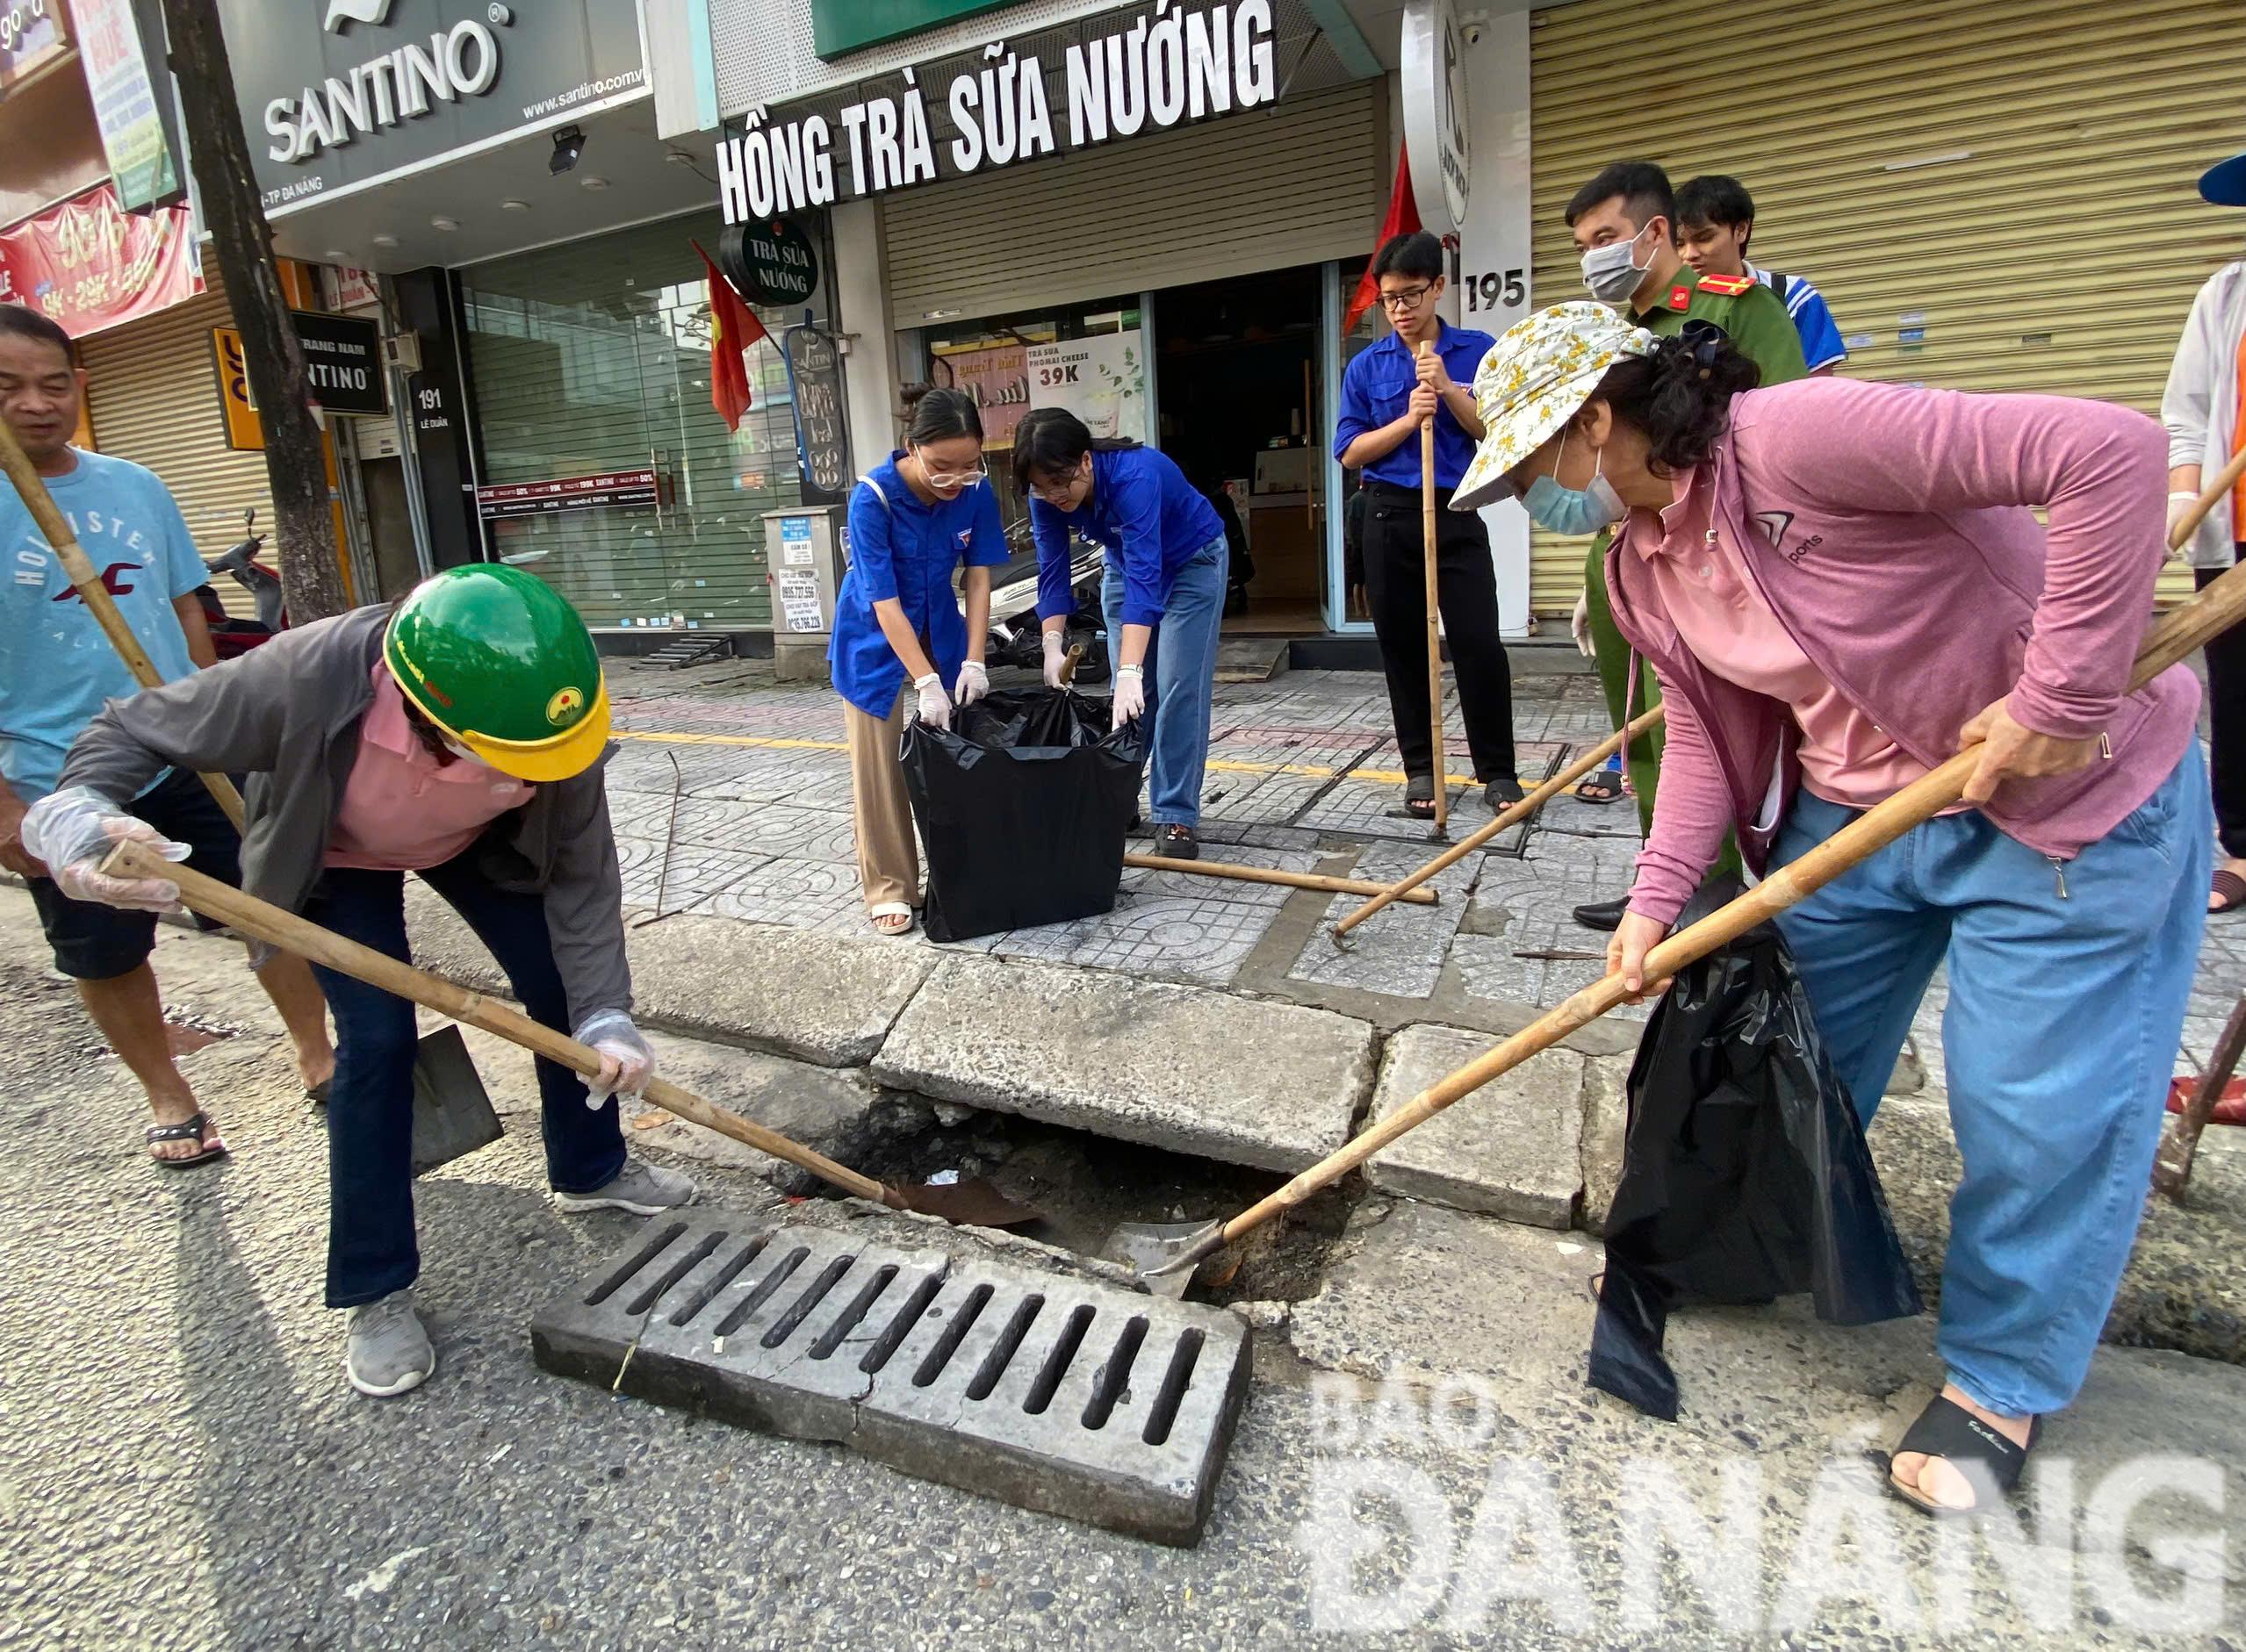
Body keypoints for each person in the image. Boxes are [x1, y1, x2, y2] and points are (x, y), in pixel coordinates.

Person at [1459, 301, 2205, 1517]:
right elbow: (1706, 739)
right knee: (1774, 1052)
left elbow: (2107, 454)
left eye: (1538, 464)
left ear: (1599, 421)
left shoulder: (1798, 438)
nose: (1538, 497)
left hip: (2059, 802)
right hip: (1857, 820)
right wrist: (1655, 902)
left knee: (2030, 1107)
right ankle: (1753, 1246)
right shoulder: (1637, 562)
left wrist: (2060, 698)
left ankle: (2000, 1375)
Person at [23, 564, 693, 1397]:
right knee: (376, 1042)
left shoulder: (550, 723)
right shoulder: (305, 673)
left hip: (470, 843)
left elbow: (583, 880)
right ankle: (375, 1289)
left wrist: (606, 1016)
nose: (532, 778)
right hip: (337, 854)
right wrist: (77, 805)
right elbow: (135, 730)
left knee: (565, 991)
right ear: (424, 714)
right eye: (507, 760)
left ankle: (591, 1171)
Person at [0, 301, 334, 1167]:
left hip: (181, 748)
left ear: (80, 385)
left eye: (52, 383)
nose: (35, 404)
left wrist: (216, 722)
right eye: (9, 387)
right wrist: (6, 806)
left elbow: (190, 610)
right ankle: (167, 1091)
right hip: (56, 780)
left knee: (273, 905)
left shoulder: (135, 487)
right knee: (103, 951)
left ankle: (317, 1051)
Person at [1563, 162, 1809, 929]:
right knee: (1638, 722)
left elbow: (1788, 427)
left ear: (1655, 231)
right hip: (1628, 557)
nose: (1593, 257)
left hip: (1714, 559)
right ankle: (1662, 885)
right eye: (1581, 245)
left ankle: (1730, 888)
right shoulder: (1611, 337)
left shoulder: (1734, 309)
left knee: (1715, 725)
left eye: (1605, 238)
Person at [1334, 230, 1523, 822]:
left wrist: (1445, 389)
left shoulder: (1479, 351)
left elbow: (1500, 433)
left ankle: (1499, 772)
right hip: (1390, 514)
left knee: (1478, 646)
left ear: (1438, 287)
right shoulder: (1368, 367)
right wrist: (1406, 421)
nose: (1401, 309)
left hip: (1458, 511)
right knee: (1405, 650)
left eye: (1411, 295)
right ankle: (1420, 769)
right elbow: (1349, 451)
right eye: (1389, 299)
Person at [829, 385, 1007, 934]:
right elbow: (882, 600)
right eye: (940, 467)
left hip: (942, 630)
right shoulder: (873, 498)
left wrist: (973, 659)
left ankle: (962, 870)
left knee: (959, 756)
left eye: (968, 466)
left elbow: (978, 579)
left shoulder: (975, 493)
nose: (954, 480)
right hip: (873, 639)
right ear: (911, 447)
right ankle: (890, 885)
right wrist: (924, 679)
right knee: (879, 769)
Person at [1018, 406, 1228, 860]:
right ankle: (1119, 794)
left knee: (1175, 688)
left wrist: (1131, 667)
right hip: (1123, 564)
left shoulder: (1138, 476)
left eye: (1061, 481)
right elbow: (1052, 573)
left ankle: (1175, 814)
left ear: (1087, 460)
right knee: (1129, 696)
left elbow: (1146, 582)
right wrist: (1052, 644)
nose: (1054, 495)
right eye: (1040, 486)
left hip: (1193, 562)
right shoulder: (1045, 496)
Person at [2161, 144, 2246, 914]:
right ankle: (2245, 851)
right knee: (2240, 691)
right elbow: (2186, 411)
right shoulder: (2224, 295)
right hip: (2235, 533)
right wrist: (2184, 504)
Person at [1674, 173, 1849, 375]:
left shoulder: (1792, 297)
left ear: (1741, 229)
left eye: (1704, 238)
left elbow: (1820, 387)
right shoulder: (1671, 305)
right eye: (1679, 244)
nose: (1689, 254)